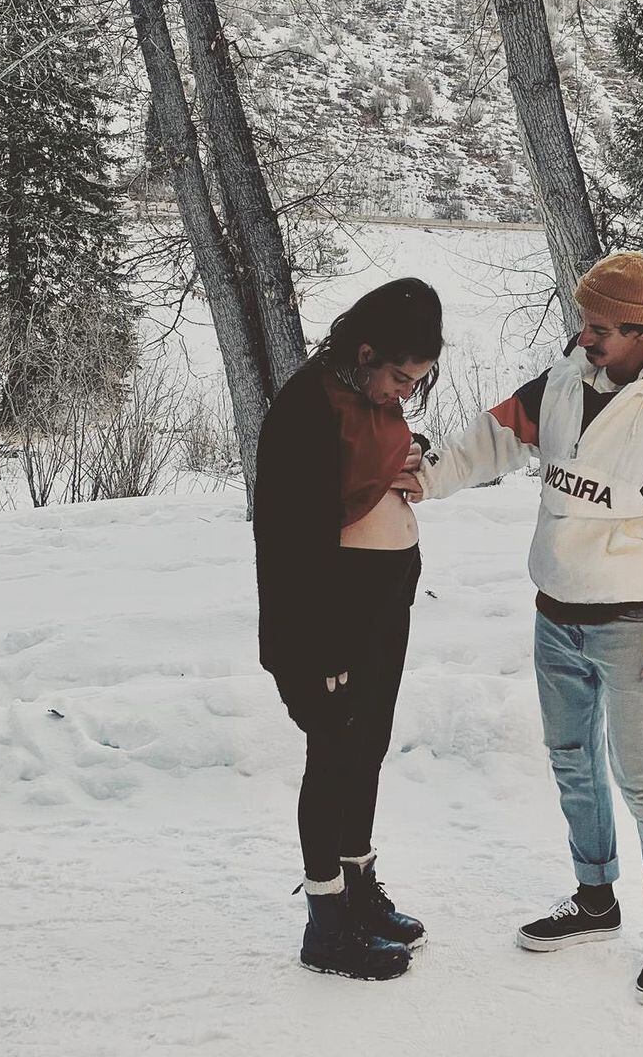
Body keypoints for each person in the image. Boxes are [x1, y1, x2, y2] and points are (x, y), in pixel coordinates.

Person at [397, 253, 643, 1005]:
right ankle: (596, 901)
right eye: (583, 322)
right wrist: (423, 479)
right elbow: (491, 440)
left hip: (633, 628)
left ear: (642, 330)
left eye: (597, 328)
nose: (582, 336)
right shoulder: (565, 381)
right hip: (555, 616)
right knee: (570, 761)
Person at [253, 278, 442, 981]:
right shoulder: (306, 407)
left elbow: (371, 453)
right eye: (399, 376)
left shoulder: (368, 396)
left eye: (416, 383)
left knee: (368, 746)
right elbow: (286, 540)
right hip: (330, 611)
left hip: (385, 596)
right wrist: (313, 650)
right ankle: (326, 923)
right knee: (332, 754)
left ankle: (359, 889)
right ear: (364, 351)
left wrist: (410, 453)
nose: (404, 392)